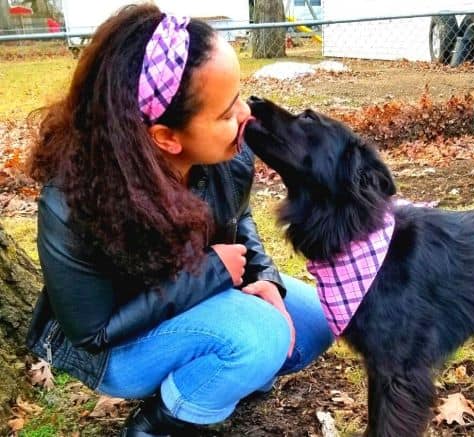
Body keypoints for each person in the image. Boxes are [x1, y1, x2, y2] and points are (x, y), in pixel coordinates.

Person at [25, 3, 333, 436]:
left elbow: (239, 216)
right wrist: (213, 274)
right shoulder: (72, 202)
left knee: (316, 322)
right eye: (226, 112)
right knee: (262, 336)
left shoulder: (228, 154)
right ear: (166, 138)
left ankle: (219, 379)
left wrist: (264, 277)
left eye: (238, 95)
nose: (246, 115)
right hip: (115, 349)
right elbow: (93, 333)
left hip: (194, 297)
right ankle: (157, 424)